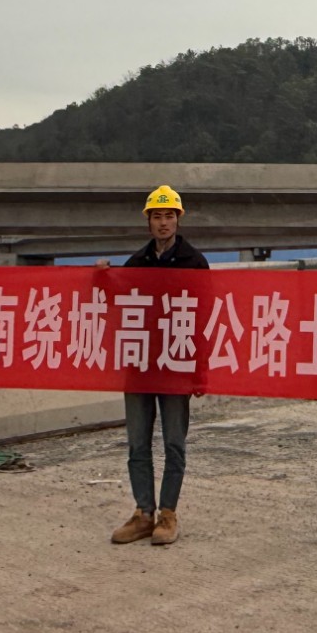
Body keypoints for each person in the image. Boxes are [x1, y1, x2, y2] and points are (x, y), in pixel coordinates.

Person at [108, 185, 209, 549]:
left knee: (173, 443)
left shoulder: (194, 263)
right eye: (156, 216)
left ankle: (168, 514)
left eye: (169, 216)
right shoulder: (136, 263)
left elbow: (203, 319)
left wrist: (200, 370)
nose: (163, 222)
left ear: (178, 220)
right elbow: (116, 307)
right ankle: (143, 513)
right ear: (148, 221)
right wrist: (102, 278)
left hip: (176, 364)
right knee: (137, 443)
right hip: (139, 365)